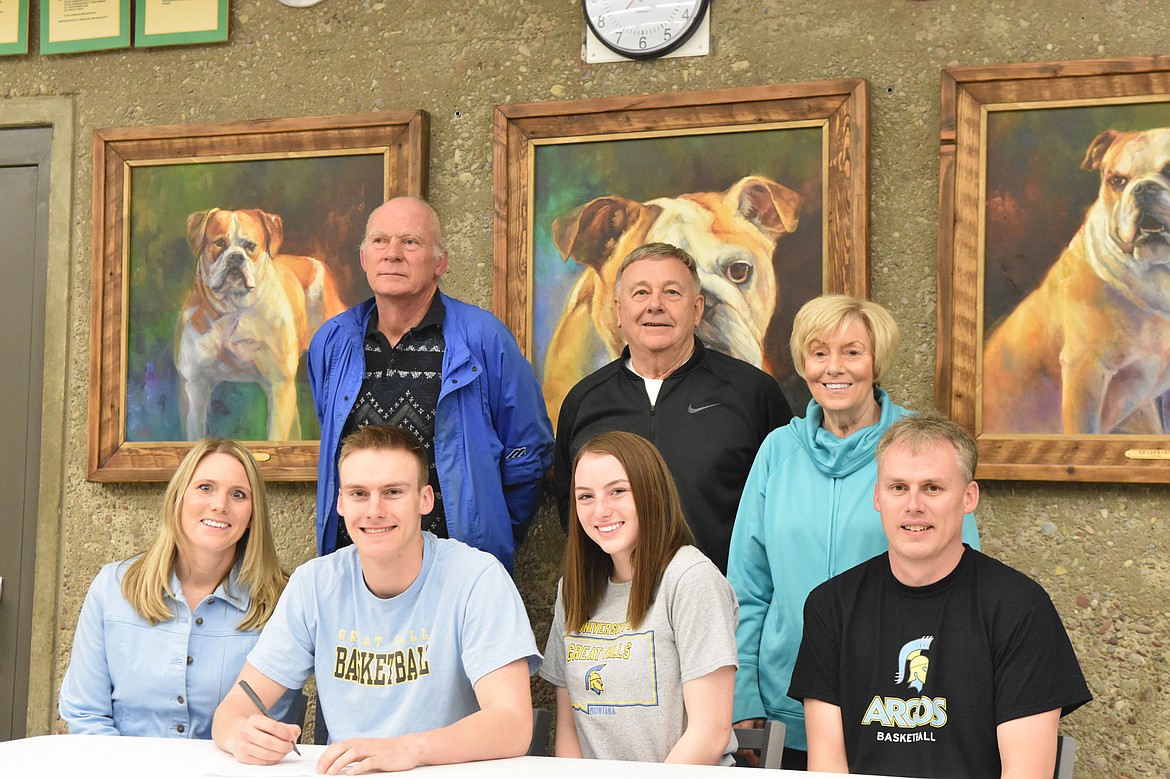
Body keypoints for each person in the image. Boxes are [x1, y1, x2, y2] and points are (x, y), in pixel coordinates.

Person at [726, 294, 980, 767]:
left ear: (875, 361)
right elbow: (747, 586)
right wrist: (743, 699)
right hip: (786, 705)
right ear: (803, 363)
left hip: (895, 709)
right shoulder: (777, 452)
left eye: (852, 352)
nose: (833, 367)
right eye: (819, 352)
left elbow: (960, 589)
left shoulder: (919, 448)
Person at [212, 424, 540, 775]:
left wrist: (409, 749)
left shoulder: (476, 578)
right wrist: (239, 734)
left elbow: (513, 724)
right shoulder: (315, 584)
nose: (374, 510)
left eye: (393, 492)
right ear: (340, 502)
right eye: (358, 493)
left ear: (425, 499)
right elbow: (233, 710)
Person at [789, 415, 1091, 777]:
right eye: (898, 487)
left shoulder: (1020, 608)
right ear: (877, 497)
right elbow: (827, 769)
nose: (913, 505)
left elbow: (1025, 773)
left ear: (968, 497)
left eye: (932, 488)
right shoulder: (831, 606)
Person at [308, 196, 553, 571]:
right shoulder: (333, 341)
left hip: (456, 570)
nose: (392, 254)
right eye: (379, 241)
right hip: (358, 569)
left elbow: (528, 454)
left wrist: (489, 534)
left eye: (410, 242)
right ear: (364, 259)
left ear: (440, 262)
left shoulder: (484, 339)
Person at [555, 243, 791, 573]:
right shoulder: (584, 401)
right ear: (619, 311)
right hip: (616, 609)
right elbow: (572, 509)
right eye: (641, 293)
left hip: (724, 604)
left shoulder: (752, 393)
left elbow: (784, 508)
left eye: (671, 292)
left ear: (696, 310)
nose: (655, 305)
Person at [58, 439, 293, 738]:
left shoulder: (280, 602)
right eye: (205, 487)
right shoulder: (112, 588)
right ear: (178, 498)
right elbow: (86, 714)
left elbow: (273, 725)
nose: (220, 505)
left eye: (238, 494)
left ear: (252, 515)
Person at [542, 431, 738, 765]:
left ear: (650, 492)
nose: (600, 510)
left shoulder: (691, 579)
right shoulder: (572, 588)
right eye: (585, 497)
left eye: (617, 491)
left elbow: (711, 731)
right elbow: (570, 730)